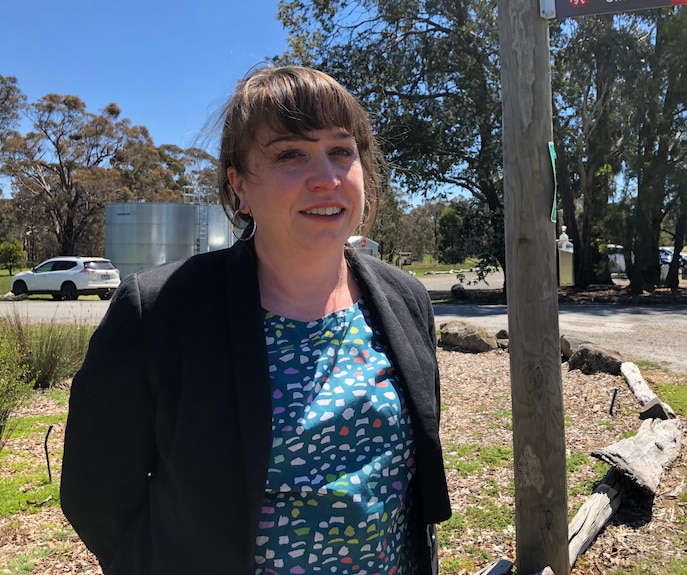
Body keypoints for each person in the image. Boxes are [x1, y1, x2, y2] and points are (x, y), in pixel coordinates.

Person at [61, 65, 451, 575]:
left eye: (342, 151)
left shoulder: (405, 300)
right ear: (240, 186)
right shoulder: (158, 312)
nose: (327, 178)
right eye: (290, 154)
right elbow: (96, 494)